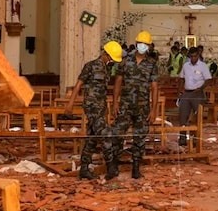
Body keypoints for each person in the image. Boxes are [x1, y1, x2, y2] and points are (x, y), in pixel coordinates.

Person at [64, 41, 123, 180]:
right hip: (91, 107)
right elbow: (78, 84)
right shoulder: (90, 66)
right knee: (105, 135)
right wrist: (70, 104)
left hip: (100, 107)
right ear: (105, 54)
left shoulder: (107, 68)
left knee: (91, 138)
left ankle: (84, 169)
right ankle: (111, 168)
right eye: (111, 59)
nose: (111, 62)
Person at [107, 30, 160, 179]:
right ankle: (113, 166)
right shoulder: (125, 60)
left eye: (146, 44)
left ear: (149, 47)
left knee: (140, 137)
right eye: (140, 43)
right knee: (117, 134)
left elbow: (155, 88)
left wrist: (154, 110)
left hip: (143, 107)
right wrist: (115, 103)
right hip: (125, 105)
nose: (143, 46)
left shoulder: (152, 64)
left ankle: (136, 167)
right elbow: (118, 81)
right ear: (136, 43)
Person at [178, 47, 212, 147]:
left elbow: (208, 79)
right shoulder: (185, 66)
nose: (193, 58)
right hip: (186, 92)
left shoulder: (203, 66)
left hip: (198, 93)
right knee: (183, 116)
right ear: (189, 56)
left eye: (195, 56)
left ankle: (196, 139)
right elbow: (181, 78)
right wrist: (180, 90)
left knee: (197, 117)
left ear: (198, 55)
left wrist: (201, 88)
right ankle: (182, 138)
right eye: (191, 56)